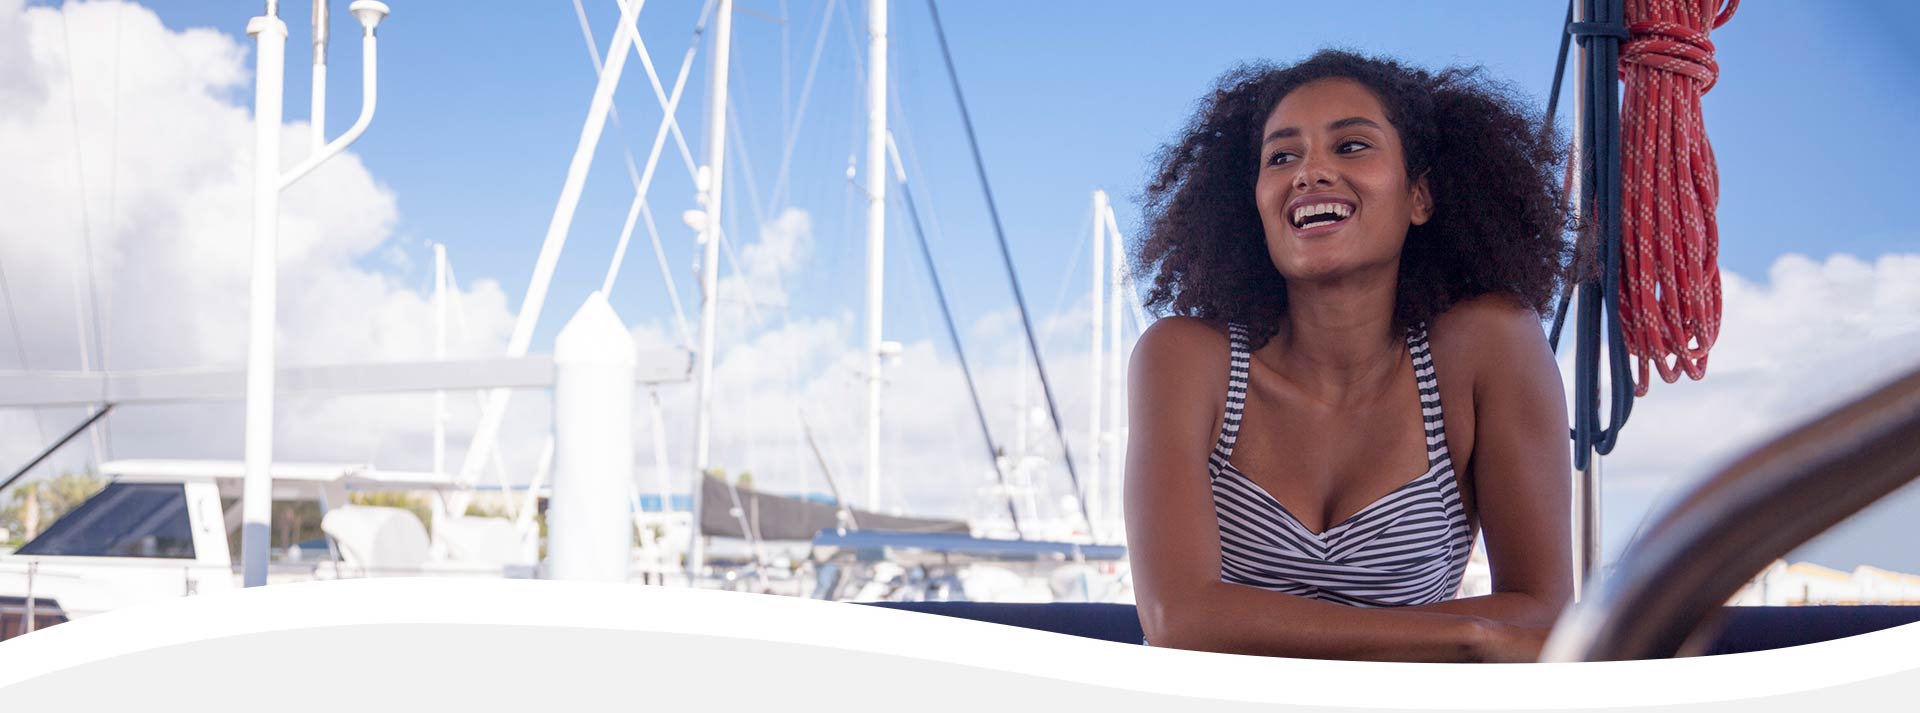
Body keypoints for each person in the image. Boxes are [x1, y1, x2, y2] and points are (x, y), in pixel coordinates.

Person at [1124, 49, 1573, 662]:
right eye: (1282, 156)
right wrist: (1469, 633)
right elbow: (1178, 617)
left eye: (1352, 146)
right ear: (1253, 205)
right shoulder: (1183, 359)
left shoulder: (1487, 347)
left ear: (1420, 197)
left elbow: (1544, 608)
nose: (1310, 173)